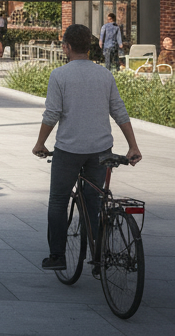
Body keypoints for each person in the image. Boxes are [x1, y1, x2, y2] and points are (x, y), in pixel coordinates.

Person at [34, 23, 142, 271]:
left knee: (58, 200)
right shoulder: (104, 74)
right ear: (89, 48)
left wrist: (40, 143)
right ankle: (99, 254)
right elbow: (119, 111)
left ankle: (58, 256)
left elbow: (52, 114)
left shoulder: (59, 75)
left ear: (67, 47)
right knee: (94, 200)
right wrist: (133, 145)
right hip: (101, 151)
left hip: (69, 150)